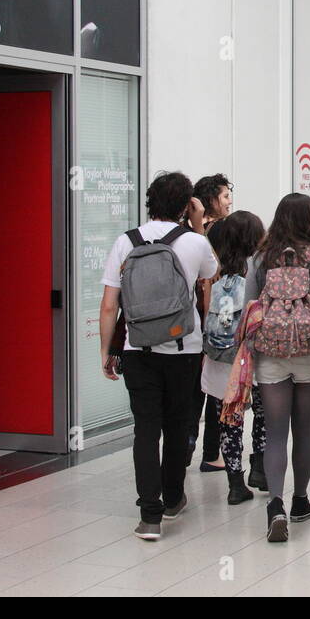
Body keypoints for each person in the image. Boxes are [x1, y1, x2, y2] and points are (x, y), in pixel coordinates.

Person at [99, 172, 216, 541]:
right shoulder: (195, 243)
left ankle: (149, 516)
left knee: (146, 429)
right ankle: (173, 499)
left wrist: (107, 351)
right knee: (179, 425)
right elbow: (210, 275)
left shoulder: (125, 241)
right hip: (184, 350)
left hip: (139, 350)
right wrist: (197, 224)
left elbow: (108, 306)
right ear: (185, 204)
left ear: (149, 202)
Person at [244, 194, 310, 543]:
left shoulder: (260, 259)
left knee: (275, 432)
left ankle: (276, 505)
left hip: (271, 352)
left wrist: (243, 357)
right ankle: (301, 501)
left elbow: (250, 311)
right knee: (303, 430)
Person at [201, 212, 268, 504]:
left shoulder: (216, 276)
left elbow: (206, 317)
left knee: (229, 421)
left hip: (219, 359)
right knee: (264, 415)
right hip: (252, 360)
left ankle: (235, 484)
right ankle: (260, 468)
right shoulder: (259, 273)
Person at [190, 173, 234, 471]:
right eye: (225, 196)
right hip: (214, 316)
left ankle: (189, 448)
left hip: (188, 319)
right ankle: (210, 453)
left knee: (195, 389)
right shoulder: (221, 230)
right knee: (216, 388)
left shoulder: (184, 232)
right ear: (211, 201)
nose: (230, 201)